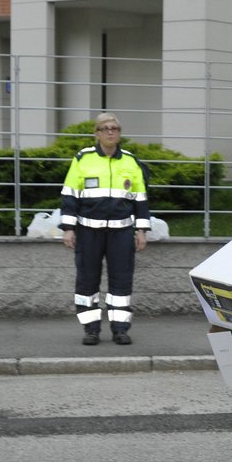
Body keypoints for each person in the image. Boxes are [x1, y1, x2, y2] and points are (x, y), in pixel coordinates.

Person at [60, 112, 150, 345]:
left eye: (115, 128)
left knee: (121, 281)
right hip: (89, 232)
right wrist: (68, 228)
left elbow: (140, 199)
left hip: (121, 233)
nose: (110, 132)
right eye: (105, 128)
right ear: (97, 133)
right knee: (87, 281)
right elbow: (69, 195)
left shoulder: (131, 161)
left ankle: (120, 329)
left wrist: (141, 231)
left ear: (119, 134)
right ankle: (91, 330)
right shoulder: (83, 159)